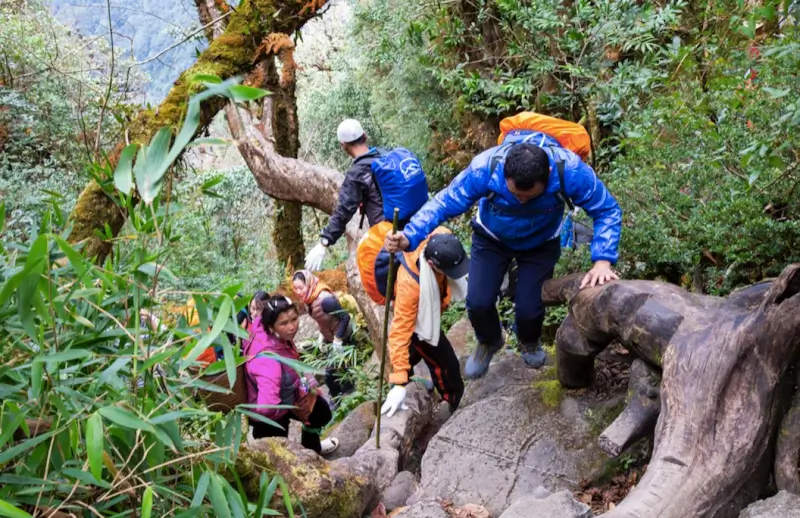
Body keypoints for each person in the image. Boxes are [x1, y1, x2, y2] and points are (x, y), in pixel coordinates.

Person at [385, 141, 622, 379]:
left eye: (530, 197)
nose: (522, 201)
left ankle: (528, 341)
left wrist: (602, 260)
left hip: (541, 242)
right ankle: (489, 340)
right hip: (492, 238)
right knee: (478, 302)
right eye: (516, 195)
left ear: (548, 174)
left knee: (530, 309)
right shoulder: (485, 168)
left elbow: (606, 209)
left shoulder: (569, 172)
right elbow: (445, 201)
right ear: (504, 173)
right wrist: (410, 235)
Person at [380, 229, 467, 417]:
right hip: (418, 323)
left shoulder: (441, 236)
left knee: (413, 354)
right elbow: (400, 333)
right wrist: (399, 383)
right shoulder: (409, 286)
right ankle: (455, 402)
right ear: (432, 264)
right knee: (446, 363)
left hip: (428, 313)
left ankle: (403, 378)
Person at [243, 294, 339, 455]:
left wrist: (309, 386)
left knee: (321, 412)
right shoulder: (269, 361)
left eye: (294, 319)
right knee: (279, 455)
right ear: (271, 326)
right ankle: (304, 459)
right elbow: (266, 408)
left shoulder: (273, 333)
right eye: (284, 323)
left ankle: (311, 450)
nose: (292, 327)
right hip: (270, 417)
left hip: (287, 394)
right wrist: (291, 409)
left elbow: (293, 358)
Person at [305, 119, 384, 271]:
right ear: (365, 136)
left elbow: (343, 211)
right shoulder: (384, 155)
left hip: (387, 233)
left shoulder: (357, 173)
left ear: (343, 145)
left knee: (370, 270)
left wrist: (324, 242)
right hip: (411, 221)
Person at [291, 269, 356, 401]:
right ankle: (340, 398)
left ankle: (347, 398)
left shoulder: (325, 300)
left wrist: (338, 339)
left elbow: (345, 317)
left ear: (308, 283)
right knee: (337, 371)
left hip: (343, 337)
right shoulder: (309, 299)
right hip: (330, 338)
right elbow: (323, 319)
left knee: (333, 373)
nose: (298, 292)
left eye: (301, 288)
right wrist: (322, 336)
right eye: (295, 289)